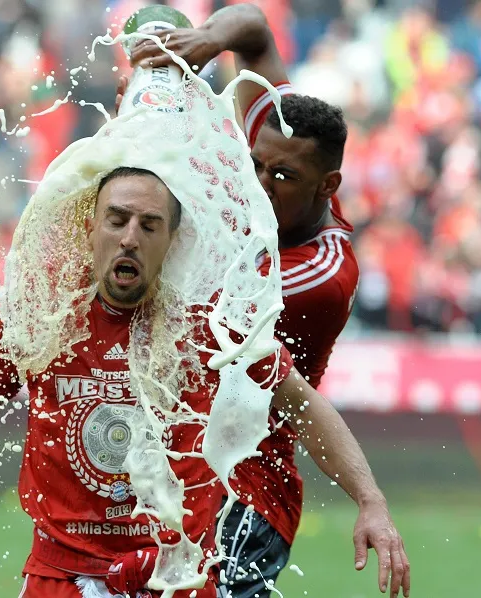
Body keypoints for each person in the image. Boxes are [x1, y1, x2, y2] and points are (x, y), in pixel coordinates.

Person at [0, 167, 403, 597]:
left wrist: (371, 501)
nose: (130, 237)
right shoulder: (45, 313)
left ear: (171, 241)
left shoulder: (209, 325)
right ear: (90, 227)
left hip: (174, 577)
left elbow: (301, 404)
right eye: (116, 220)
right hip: (61, 575)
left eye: (149, 225)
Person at [127, 4, 411, 598]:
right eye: (254, 163)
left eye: (280, 177)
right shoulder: (276, 132)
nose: (258, 183)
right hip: (179, 463)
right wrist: (208, 39)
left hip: (248, 488)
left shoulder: (322, 275)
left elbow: (194, 289)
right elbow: (253, 26)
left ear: (326, 187)